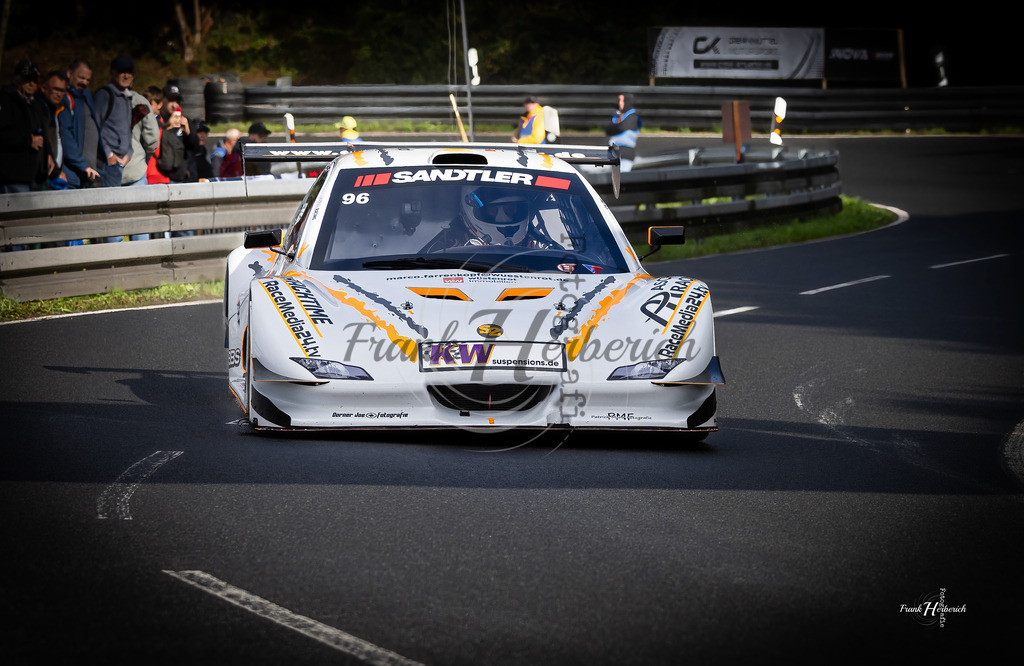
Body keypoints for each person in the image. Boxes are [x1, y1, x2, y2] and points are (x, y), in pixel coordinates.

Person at [423, 186, 558, 251]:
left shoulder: (543, 247)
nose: (503, 218)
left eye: (509, 210)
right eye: (493, 210)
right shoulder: (444, 248)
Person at [0, 60, 49, 194]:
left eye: (35, 79)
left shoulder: (35, 104)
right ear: (16, 79)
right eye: (27, 79)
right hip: (13, 177)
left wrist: (47, 155)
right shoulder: (6, 101)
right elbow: (2, 136)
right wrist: (28, 141)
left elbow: (42, 133)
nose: (32, 83)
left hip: (35, 177)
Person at [61, 58, 103, 188]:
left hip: (89, 174)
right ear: (69, 74)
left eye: (88, 80)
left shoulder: (85, 96)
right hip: (72, 175)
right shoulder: (65, 98)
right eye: (81, 77)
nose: (84, 82)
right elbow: (66, 136)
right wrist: (82, 165)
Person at [39, 70, 70, 189]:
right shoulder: (39, 110)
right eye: (56, 89)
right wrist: (56, 171)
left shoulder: (56, 110)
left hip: (56, 175)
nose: (59, 94)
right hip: (44, 176)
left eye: (62, 90)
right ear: (44, 88)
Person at [605, 93, 642, 172]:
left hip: (626, 153)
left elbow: (620, 128)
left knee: (622, 177)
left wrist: (615, 127)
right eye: (619, 101)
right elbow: (608, 130)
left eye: (622, 101)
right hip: (614, 153)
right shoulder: (617, 116)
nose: (620, 103)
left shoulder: (633, 117)